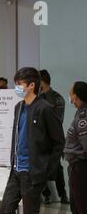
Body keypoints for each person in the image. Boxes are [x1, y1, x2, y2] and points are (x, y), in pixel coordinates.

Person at [0, 67, 65, 214]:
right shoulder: (18, 107)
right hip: (17, 169)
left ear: (31, 86)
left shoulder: (44, 108)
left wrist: (47, 172)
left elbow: (58, 142)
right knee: (6, 210)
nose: (17, 88)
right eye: (16, 84)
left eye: (20, 84)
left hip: (33, 172)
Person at [54, 82, 87, 214]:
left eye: (71, 94)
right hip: (76, 167)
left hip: (82, 167)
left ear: (77, 95)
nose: (70, 98)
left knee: (84, 210)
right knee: (76, 210)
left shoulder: (84, 116)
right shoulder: (79, 112)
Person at [39, 70, 70, 205]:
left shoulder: (57, 98)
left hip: (54, 140)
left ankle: (63, 194)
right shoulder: (36, 98)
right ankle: (46, 194)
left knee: (57, 167)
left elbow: (58, 121)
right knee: (41, 166)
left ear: (42, 82)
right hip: (40, 139)